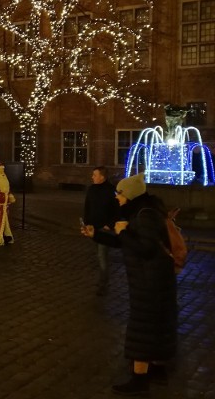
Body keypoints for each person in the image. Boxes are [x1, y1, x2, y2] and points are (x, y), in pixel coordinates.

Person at [81, 173, 177, 396]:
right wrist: (98, 235)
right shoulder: (140, 212)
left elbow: (145, 248)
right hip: (151, 280)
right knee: (154, 327)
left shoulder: (145, 216)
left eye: (120, 193)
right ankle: (156, 371)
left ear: (131, 194)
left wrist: (123, 230)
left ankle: (140, 380)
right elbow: (123, 242)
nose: (117, 197)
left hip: (149, 282)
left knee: (142, 328)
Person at [83, 166, 119, 296]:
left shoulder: (111, 190)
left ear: (102, 177)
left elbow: (117, 210)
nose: (92, 177)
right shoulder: (92, 189)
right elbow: (87, 207)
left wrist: (109, 225)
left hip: (104, 229)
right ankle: (102, 278)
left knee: (102, 255)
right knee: (98, 255)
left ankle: (103, 283)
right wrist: (86, 223)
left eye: (95, 175)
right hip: (93, 228)